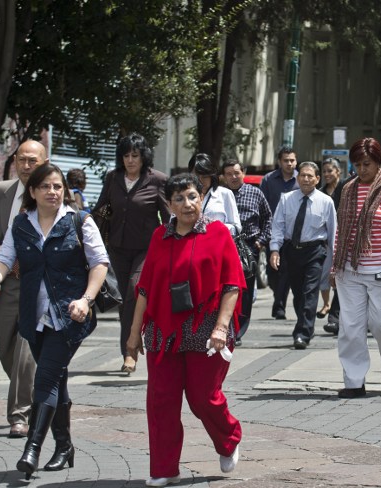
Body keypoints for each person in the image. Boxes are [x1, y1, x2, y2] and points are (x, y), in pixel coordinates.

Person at [0, 163, 109, 479]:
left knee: (46, 378)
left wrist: (86, 299)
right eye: (46, 187)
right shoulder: (21, 224)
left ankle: (32, 449)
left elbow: (99, 263)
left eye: (57, 186)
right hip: (33, 317)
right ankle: (64, 445)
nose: (53, 192)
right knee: (57, 379)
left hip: (70, 316)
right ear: (33, 192)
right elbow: (3, 258)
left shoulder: (79, 221)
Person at [126, 173, 245, 486]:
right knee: (160, 401)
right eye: (179, 198)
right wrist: (133, 332)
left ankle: (229, 438)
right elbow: (145, 288)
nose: (187, 204)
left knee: (203, 398)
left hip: (206, 330)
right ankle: (164, 468)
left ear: (201, 197)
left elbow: (232, 284)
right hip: (162, 332)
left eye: (192, 196)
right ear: (169, 204)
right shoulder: (159, 237)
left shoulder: (218, 234)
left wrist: (221, 327)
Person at [0, 139, 47, 438]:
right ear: (14, 161)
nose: (27, 166)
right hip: (3, 284)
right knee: (6, 350)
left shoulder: (51, 194)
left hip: (37, 284)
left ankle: (19, 415)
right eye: (22, 160)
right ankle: (34, 392)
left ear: (44, 161)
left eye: (33, 161)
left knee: (26, 352)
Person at [330, 137, 381, 399]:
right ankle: (354, 382)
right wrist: (334, 264)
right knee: (350, 327)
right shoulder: (348, 188)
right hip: (351, 269)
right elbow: (341, 230)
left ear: (378, 162)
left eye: (366, 164)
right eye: (356, 164)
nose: (361, 169)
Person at [93, 133, 170, 374]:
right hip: (117, 247)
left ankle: (131, 350)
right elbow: (101, 209)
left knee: (134, 291)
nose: (130, 160)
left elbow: (168, 216)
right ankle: (129, 348)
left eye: (135, 155)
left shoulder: (157, 180)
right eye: (125, 155)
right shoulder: (113, 178)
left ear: (143, 156)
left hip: (147, 248)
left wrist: (174, 245)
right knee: (123, 301)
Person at [269, 162, 336, 349]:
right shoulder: (286, 199)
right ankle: (306, 324)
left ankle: (302, 334)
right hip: (292, 251)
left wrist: (334, 261)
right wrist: (275, 250)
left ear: (317, 179)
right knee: (298, 294)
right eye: (303, 176)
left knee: (309, 292)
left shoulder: (326, 202)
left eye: (310, 176)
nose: (306, 179)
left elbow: (332, 232)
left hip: (315, 251)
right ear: (298, 178)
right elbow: (278, 226)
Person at [222, 161, 272, 345]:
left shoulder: (255, 193)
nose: (233, 177)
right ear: (223, 176)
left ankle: (238, 331)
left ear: (243, 173)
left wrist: (261, 242)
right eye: (229, 174)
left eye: (236, 173)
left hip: (248, 248)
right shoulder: (220, 195)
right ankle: (225, 327)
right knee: (224, 289)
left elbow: (268, 219)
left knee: (244, 291)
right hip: (223, 247)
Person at [260, 147, 299, 319]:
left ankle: (279, 306)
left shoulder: (302, 180)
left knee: (286, 270)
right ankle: (278, 296)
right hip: (272, 233)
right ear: (279, 161)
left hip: (294, 235)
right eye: (286, 160)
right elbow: (262, 206)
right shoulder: (269, 180)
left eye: (292, 160)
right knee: (272, 271)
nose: (289, 163)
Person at [320, 158, 347, 334]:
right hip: (325, 242)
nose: (327, 174)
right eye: (325, 171)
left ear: (338, 171)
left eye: (330, 170)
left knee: (341, 279)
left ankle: (335, 317)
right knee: (328, 276)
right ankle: (330, 310)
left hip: (345, 240)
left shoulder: (347, 188)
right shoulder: (320, 193)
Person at [188, 153, 241, 234]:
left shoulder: (225, 194)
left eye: (204, 176)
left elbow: (236, 227)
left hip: (217, 244)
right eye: (196, 176)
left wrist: (215, 227)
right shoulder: (184, 195)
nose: (200, 180)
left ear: (212, 176)